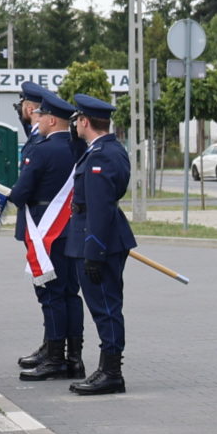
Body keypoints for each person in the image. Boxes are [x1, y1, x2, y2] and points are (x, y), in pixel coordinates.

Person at [9, 89, 87, 384]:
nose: (36, 119)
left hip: (47, 231)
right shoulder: (78, 147)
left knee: (51, 294)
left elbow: (21, 194)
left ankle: (55, 358)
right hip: (72, 229)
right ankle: (73, 358)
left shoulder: (42, 150)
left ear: (52, 120)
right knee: (70, 293)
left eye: (40, 115)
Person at [65, 94, 137, 396]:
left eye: (77, 120)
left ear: (84, 121)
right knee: (103, 306)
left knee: (106, 307)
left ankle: (111, 372)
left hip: (98, 241)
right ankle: (106, 368)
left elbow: (99, 207)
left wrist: (93, 251)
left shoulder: (102, 157)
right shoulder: (104, 149)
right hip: (97, 237)